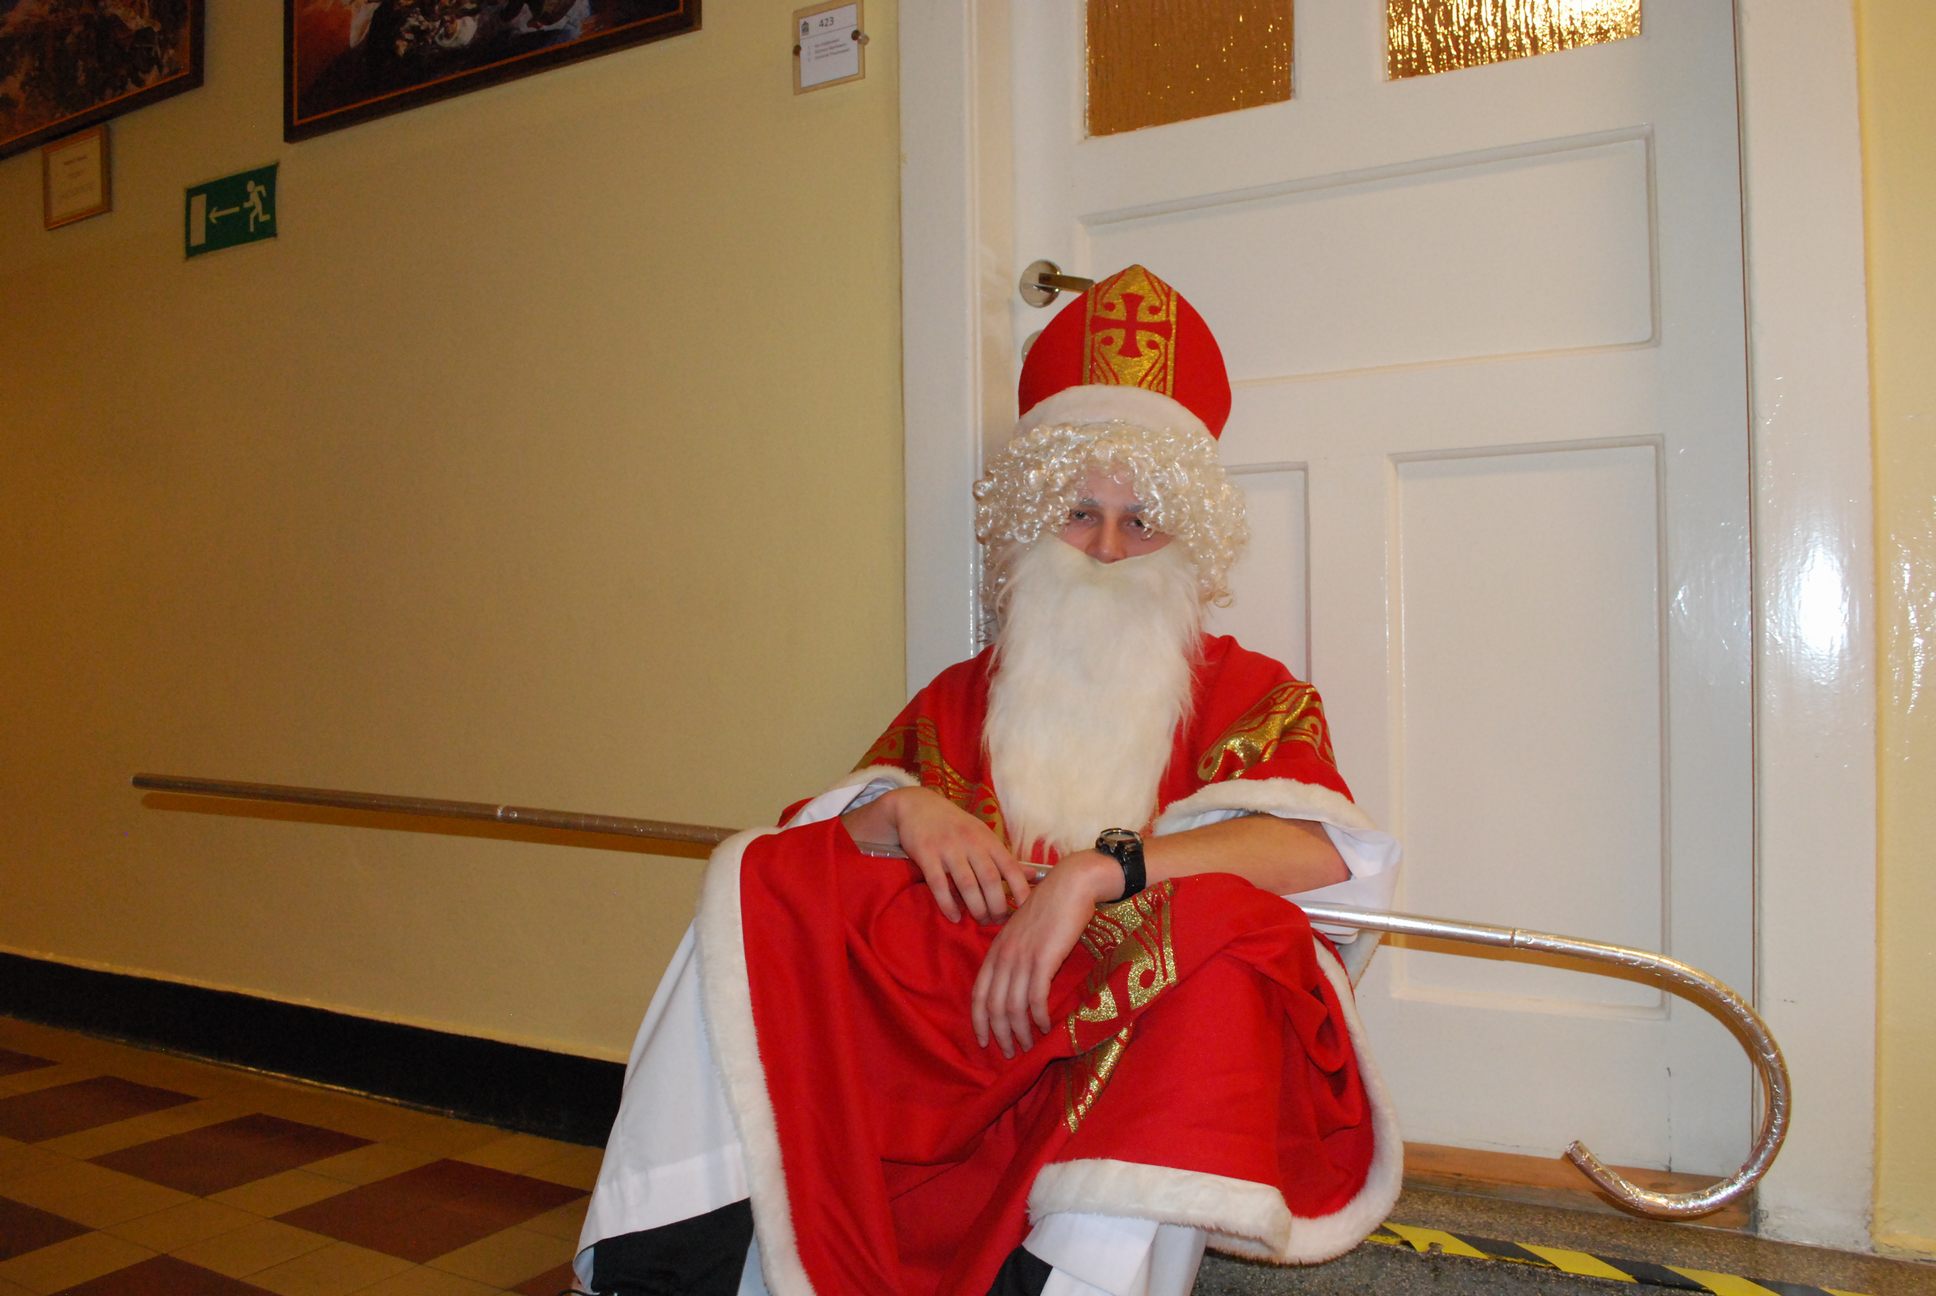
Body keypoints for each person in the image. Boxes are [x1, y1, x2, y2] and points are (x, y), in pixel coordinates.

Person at [574, 266, 1403, 1296]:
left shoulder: (1250, 691)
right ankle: (668, 1268)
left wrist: (1098, 872)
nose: (1107, 550)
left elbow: (1316, 853)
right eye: (1079, 514)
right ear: (1030, 522)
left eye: (1142, 521)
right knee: (758, 883)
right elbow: (826, 839)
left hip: (1130, 1016)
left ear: (1188, 540)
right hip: (965, 1013)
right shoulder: (965, 695)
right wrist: (904, 810)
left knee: (1238, 952)